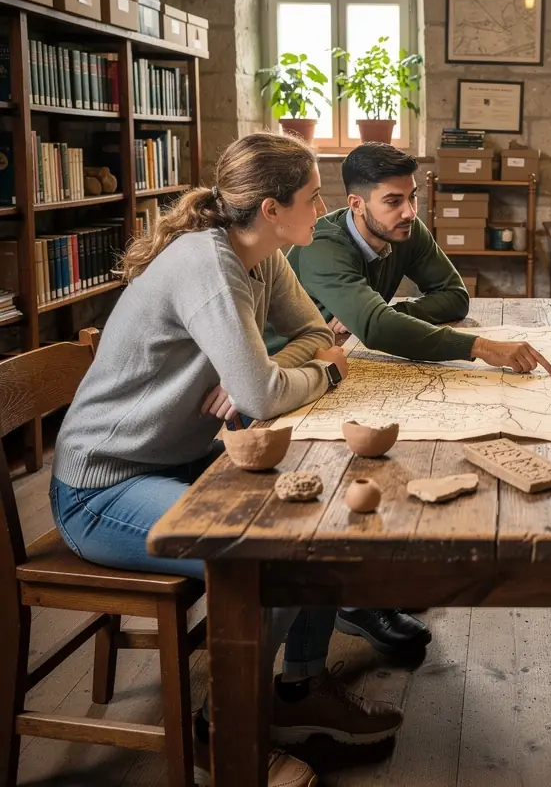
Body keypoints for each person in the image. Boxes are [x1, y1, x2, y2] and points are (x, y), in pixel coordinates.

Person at [49, 132, 403, 787]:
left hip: (174, 461)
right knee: (267, 553)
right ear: (271, 208)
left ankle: (300, 688)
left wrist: (291, 363)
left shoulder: (262, 254)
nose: (324, 209)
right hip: (101, 489)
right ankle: (226, 730)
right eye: (313, 197)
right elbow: (265, 391)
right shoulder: (208, 265)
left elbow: (308, 337)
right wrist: (316, 374)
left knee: (315, 515)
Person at [268, 142, 551, 375]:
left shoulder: (405, 229)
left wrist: (390, 314)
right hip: (283, 369)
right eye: (393, 201)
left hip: (343, 353)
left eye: (412, 197)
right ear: (357, 204)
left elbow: (455, 296)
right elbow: (378, 330)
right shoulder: (323, 246)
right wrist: (483, 348)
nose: (410, 212)